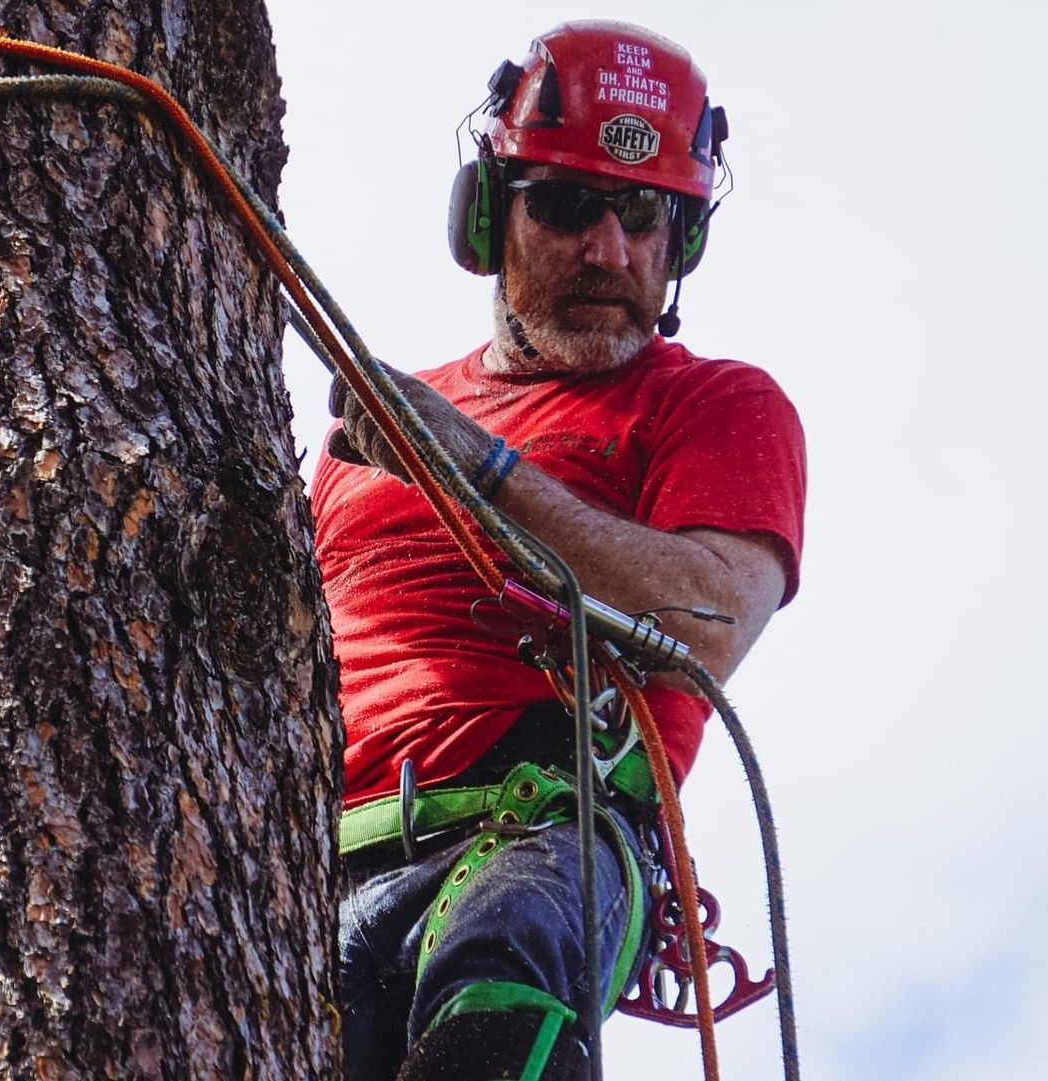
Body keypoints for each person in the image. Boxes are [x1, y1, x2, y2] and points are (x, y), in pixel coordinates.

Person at [312, 20, 806, 1081]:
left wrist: (481, 471)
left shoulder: (715, 406)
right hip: (308, 863)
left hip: (542, 826)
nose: (609, 249)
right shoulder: (372, 438)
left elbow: (706, 623)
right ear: (489, 216)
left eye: (644, 215)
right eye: (569, 206)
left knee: (503, 981)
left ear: (684, 239)